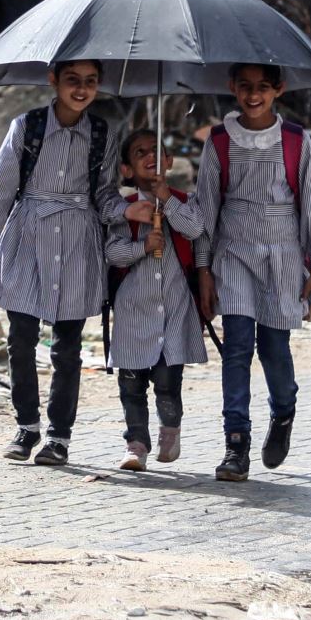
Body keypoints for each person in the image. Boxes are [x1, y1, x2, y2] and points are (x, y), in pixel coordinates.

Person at [0, 61, 115, 465]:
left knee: (67, 348)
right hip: (27, 237)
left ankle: (59, 437)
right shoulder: (27, 127)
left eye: (90, 82)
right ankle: (26, 427)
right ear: (53, 81)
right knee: (21, 339)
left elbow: (104, 194)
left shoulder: (101, 134)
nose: (81, 90)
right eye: (72, 81)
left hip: (77, 242)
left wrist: (130, 210)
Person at [196, 62, 311, 482]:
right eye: (245, 87)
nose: (253, 96)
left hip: (282, 256)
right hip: (233, 252)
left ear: (279, 89)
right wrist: (203, 268)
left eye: (262, 88)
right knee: (236, 349)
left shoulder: (294, 140)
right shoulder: (219, 141)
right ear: (232, 88)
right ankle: (235, 444)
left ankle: (284, 412)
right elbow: (205, 210)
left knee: (275, 349)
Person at [102, 128, 209, 472]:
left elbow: (195, 230)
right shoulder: (126, 210)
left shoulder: (183, 200)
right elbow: (113, 253)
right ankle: (136, 444)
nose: (150, 157)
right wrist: (143, 248)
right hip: (135, 311)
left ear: (169, 160)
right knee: (131, 383)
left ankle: (170, 430)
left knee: (167, 382)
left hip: (174, 309)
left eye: (156, 151)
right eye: (140, 153)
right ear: (127, 170)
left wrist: (168, 199)